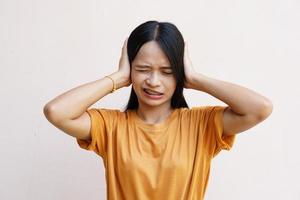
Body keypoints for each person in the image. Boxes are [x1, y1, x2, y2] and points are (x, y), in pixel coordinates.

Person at [43, 20, 273, 200]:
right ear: (130, 70)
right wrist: (118, 78)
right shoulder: (110, 127)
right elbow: (56, 111)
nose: (154, 81)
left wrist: (195, 79)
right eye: (143, 69)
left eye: (167, 71)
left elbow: (260, 108)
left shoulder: (201, 124)